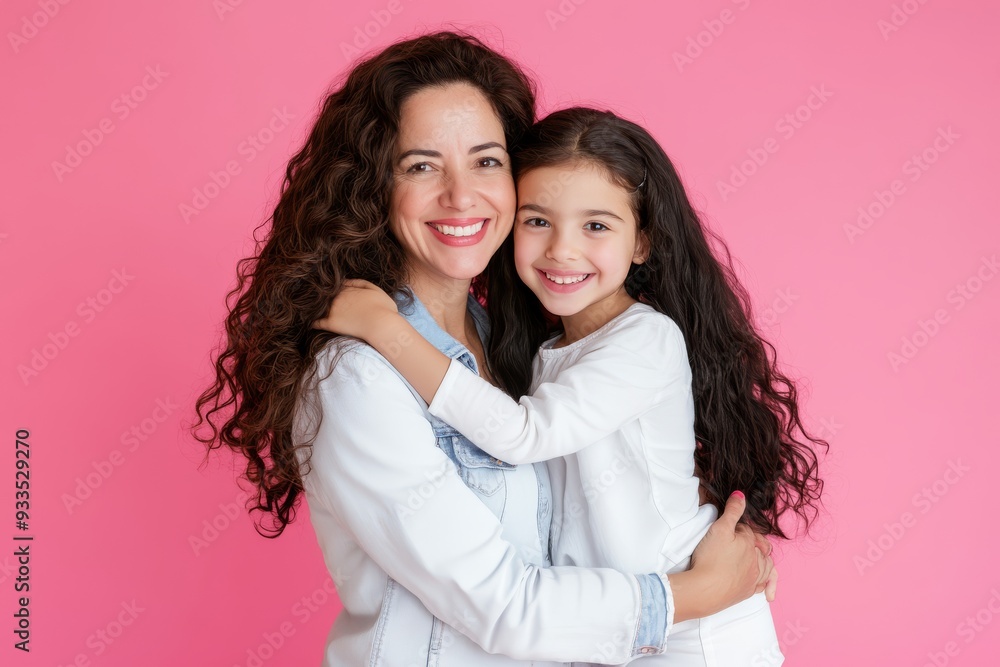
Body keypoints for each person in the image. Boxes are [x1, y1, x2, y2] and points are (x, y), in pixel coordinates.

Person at [194, 32, 775, 666]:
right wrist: (697, 591)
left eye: (486, 160)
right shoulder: (357, 374)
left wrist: (722, 545)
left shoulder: (517, 345)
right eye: (421, 165)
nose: (461, 195)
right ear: (371, 187)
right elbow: (505, 609)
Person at [317, 107, 827, 665]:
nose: (561, 249)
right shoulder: (539, 352)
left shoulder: (647, 339)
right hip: (624, 630)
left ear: (642, 243)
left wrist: (387, 330)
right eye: (538, 221)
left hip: (695, 633)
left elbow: (523, 435)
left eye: (596, 226)